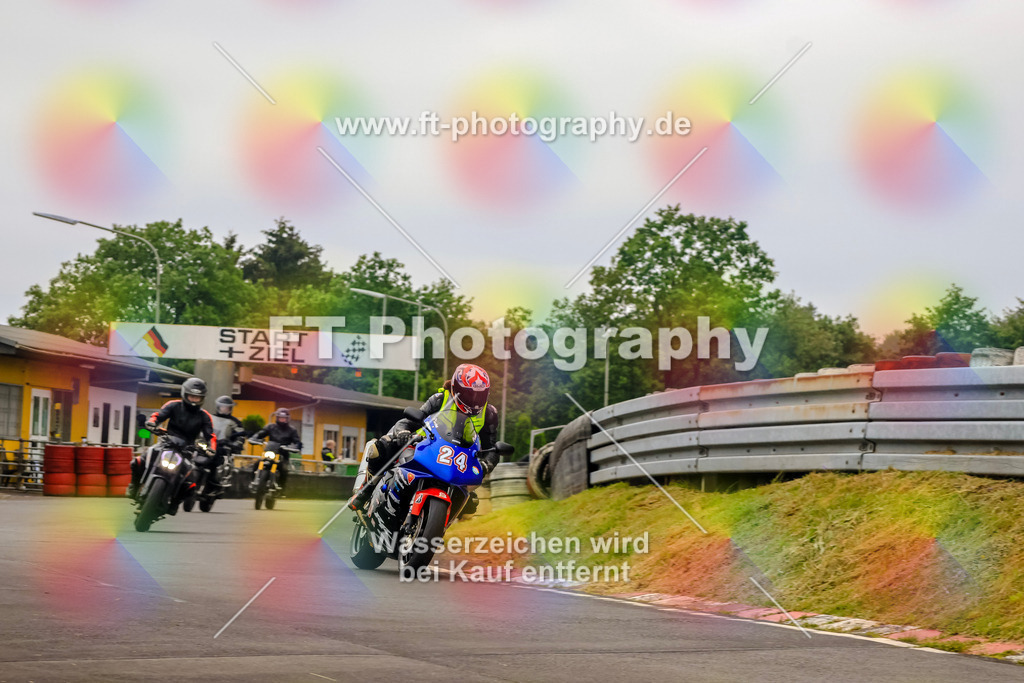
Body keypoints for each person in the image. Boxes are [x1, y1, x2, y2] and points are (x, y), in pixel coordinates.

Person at [364, 363, 501, 478]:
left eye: (480, 395)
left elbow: (491, 448)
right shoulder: (440, 399)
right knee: (382, 446)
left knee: (471, 503)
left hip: (457, 461)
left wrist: (486, 464)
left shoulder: (489, 414)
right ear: (456, 389)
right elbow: (407, 421)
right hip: (422, 446)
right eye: (469, 394)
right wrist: (403, 433)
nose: (474, 401)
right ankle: (365, 491)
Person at [128, 377, 216, 503]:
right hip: (167, 443)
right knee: (137, 461)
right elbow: (159, 415)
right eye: (191, 396)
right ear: (185, 394)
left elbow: (210, 435)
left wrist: (211, 449)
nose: (194, 400)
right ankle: (134, 486)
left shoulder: (204, 416)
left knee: (191, 483)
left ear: (202, 398)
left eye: (197, 397)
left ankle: (174, 502)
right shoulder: (173, 405)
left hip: (187, 449)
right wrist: (152, 423)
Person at [248, 409, 301, 495]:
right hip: (270, 451)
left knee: (284, 469)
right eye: (280, 418)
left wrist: (294, 447)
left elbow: (297, 441)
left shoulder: (292, 430)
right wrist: (254, 438)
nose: (282, 419)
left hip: (282, 454)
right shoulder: (271, 427)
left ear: (287, 419)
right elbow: (261, 433)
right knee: (256, 464)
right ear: (277, 418)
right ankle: (253, 482)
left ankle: (281, 487)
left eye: (284, 418)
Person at [210, 395, 246, 486]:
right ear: (218, 407)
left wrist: (237, 443)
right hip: (208, 444)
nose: (225, 409)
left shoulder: (235, 422)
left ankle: (218, 481)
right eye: (223, 407)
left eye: (227, 408)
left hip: (223, 447)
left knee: (222, 461)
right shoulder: (209, 418)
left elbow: (240, 435)